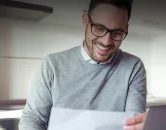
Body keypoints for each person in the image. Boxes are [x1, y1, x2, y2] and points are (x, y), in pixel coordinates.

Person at [18, 0, 147, 130]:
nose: (106, 41)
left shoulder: (133, 67)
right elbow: (33, 118)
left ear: (125, 29)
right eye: (99, 28)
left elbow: (133, 123)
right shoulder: (52, 65)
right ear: (85, 21)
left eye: (117, 32)